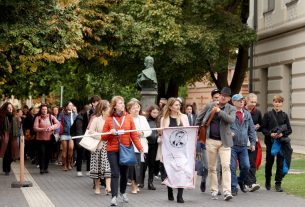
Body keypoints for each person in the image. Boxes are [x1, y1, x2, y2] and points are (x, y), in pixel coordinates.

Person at [101, 96, 143, 206]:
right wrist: (110, 132)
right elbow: (103, 137)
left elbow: (133, 134)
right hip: (112, 150)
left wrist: (140, 148)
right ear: (114, 106)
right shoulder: (109, 119)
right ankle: (114, 196)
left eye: (123, 103)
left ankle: (123, 192)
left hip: (126, 150)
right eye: (120, 103)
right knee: (115, 173)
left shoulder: (128, 117)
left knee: (124, 174)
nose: (123, 105)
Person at [195, 87, 236, 201]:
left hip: (225, 142)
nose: (223, 97)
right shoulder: (210, 105)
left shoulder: (231, 108)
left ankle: (227, 192)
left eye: (226, 96)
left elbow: (231, 120)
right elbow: (199, 118)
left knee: (226, 166)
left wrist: (219, 112)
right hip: (211, 140)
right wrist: (196, 131)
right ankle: (214, 190)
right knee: (212, 167)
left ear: (229, 99)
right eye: (222, 95)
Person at [160, 97, 189, 203]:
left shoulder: (184, 117)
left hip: (181, 149)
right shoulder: (165, 118)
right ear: (170, 106)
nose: (178, 107)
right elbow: (162, 134)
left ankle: (180, 195)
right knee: (170, 171)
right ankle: (170, 190)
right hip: (169, 150)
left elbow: (188, 132)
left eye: (179, 105)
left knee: (181, 170)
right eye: (176, 105)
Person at [262, 95, 292, 192]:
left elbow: (289, 130)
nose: (277, 104)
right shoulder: (267, 114)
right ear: (273, 103)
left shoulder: (285, 115)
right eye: (276, 102)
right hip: (271, 143)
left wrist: (282, 134)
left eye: (279, 102)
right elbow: (263, 129)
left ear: (282, 104)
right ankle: (267, 181)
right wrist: (271, 134)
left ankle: (278, 183)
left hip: (281, 143)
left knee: (280, 163)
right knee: (269, 162)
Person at [195, 88, 221, 193]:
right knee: (207, 165)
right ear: (212, 98)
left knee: (218, 165)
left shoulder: (224, 108)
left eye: (219, 98)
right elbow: (199, 119)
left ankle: (216, 187)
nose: (217, 100)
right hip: (207, 139)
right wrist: (197, 133)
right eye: (215, 98)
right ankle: (203, 179)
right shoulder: (209, 106)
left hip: (219, 140)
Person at [230, 94, 256, 196]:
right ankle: (233, 187)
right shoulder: (230, 113)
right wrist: (229, 133)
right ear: (233, 102)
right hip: (232, 145)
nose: (241, 102)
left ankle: (240, 180)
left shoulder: (247, 114)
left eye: (242, 100)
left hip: (244, 146)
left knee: (246, 166)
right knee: (232, 167)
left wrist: (253, 143)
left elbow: (252, 130)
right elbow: (224, 127)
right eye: (239, 100)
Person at [126, 99, 152, 193]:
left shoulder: (143, 118)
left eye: (138, 107)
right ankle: (133, 186)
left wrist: (142, 133)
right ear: (129, 109)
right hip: (131, 146)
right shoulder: (127, 118)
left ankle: (137, 184)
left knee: (141, 167)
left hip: (143, 146)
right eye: (133, 108)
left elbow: (149, 131)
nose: (136, 109)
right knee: (133, 167)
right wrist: (134, 134)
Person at [88, 100, 111, 195]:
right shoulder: (96, 119)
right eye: (108, 107)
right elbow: (91, 132)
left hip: (109, 147)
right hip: (98, 147)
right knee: (97, 167)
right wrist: (101, 136)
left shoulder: (112, 119)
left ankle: (108, 187)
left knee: (108, 166)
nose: (110, 109)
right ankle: (97, 187)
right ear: (103, 110)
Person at [33, 104, 60, 174]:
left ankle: (46, 168)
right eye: (43, 109)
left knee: (48, 154)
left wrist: (51, 127)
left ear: (47, 110)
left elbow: (58, 124)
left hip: (49, 139)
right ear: (41, 110)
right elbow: (35, 128)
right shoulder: (38, 118)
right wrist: (43, 129)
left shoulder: (51, 117)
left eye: (45, 109)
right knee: (42, 153)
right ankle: (41, 168)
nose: (44, 110)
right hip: (40, 139)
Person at [244, 93, 263, 192]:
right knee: (244, 163)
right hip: (242, 140)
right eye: (252, 102)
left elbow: (262, 125)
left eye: (255, 102)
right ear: (246, 100)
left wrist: (258, 126)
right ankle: (243, 181)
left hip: (253, 140)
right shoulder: (241, 111)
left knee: (252, 161)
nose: (254, 104)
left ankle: (251, 182)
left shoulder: (258, 112)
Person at [0, 102, 19, 175]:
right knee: (6, 154)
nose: (10, 109)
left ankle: (8, 166)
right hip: (4, 138)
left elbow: (18, 127)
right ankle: (6, 170)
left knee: (12, 154)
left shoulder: (15, 117)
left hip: (13, 138)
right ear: (5, 109)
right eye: (8, 108)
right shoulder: (2, 117)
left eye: (11, 108)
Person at [58, 101, 77, 171]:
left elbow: (77, 123)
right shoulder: (62, 114)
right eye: (69, 105)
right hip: (64, 134)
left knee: (71, 149)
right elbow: (59, 122)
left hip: (72, 134)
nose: (71, 106)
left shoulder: (74, 114)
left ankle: (69, 163)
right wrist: (57, 132)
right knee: (64, 150)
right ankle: (65, 165)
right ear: (66, 106)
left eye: (72, 105)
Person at [145, 105, 160, 190]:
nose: (155, 114)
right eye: (154, 112)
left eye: (157, 112)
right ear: (150, 112)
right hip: (147, 144)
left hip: (155, 144)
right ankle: (140, 181)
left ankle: (150, 182)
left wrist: (159, 135)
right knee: (144, 164)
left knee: (152, 164)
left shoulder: (158, 121)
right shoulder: (146, 120)